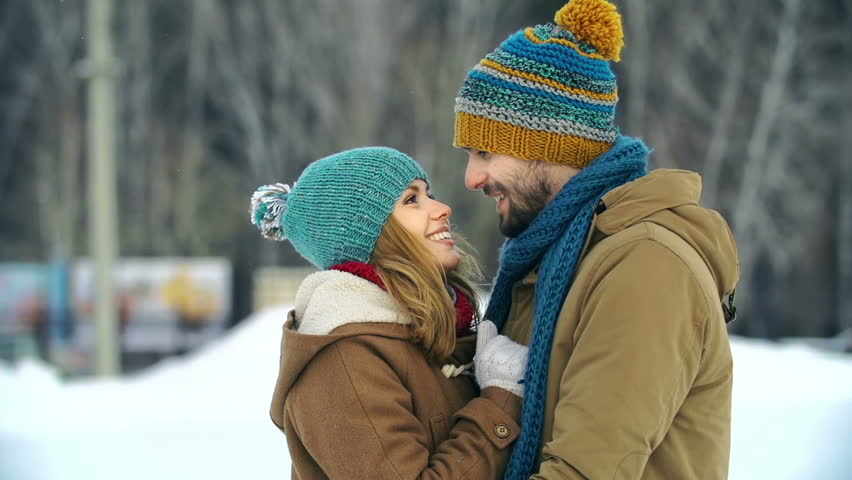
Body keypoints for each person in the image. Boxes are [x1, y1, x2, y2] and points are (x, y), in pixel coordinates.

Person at [451, 1, 740, 479]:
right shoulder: (554, 261)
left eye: (485, 151)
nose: (471, 177)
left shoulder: (644, 267)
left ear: (548, 148)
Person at [251, 146, 528, 479]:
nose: (442, 209)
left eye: (429, 195)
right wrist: (500, 399)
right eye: (412, 200)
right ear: (367, 232)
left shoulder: (428, 330)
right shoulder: (345, 359)